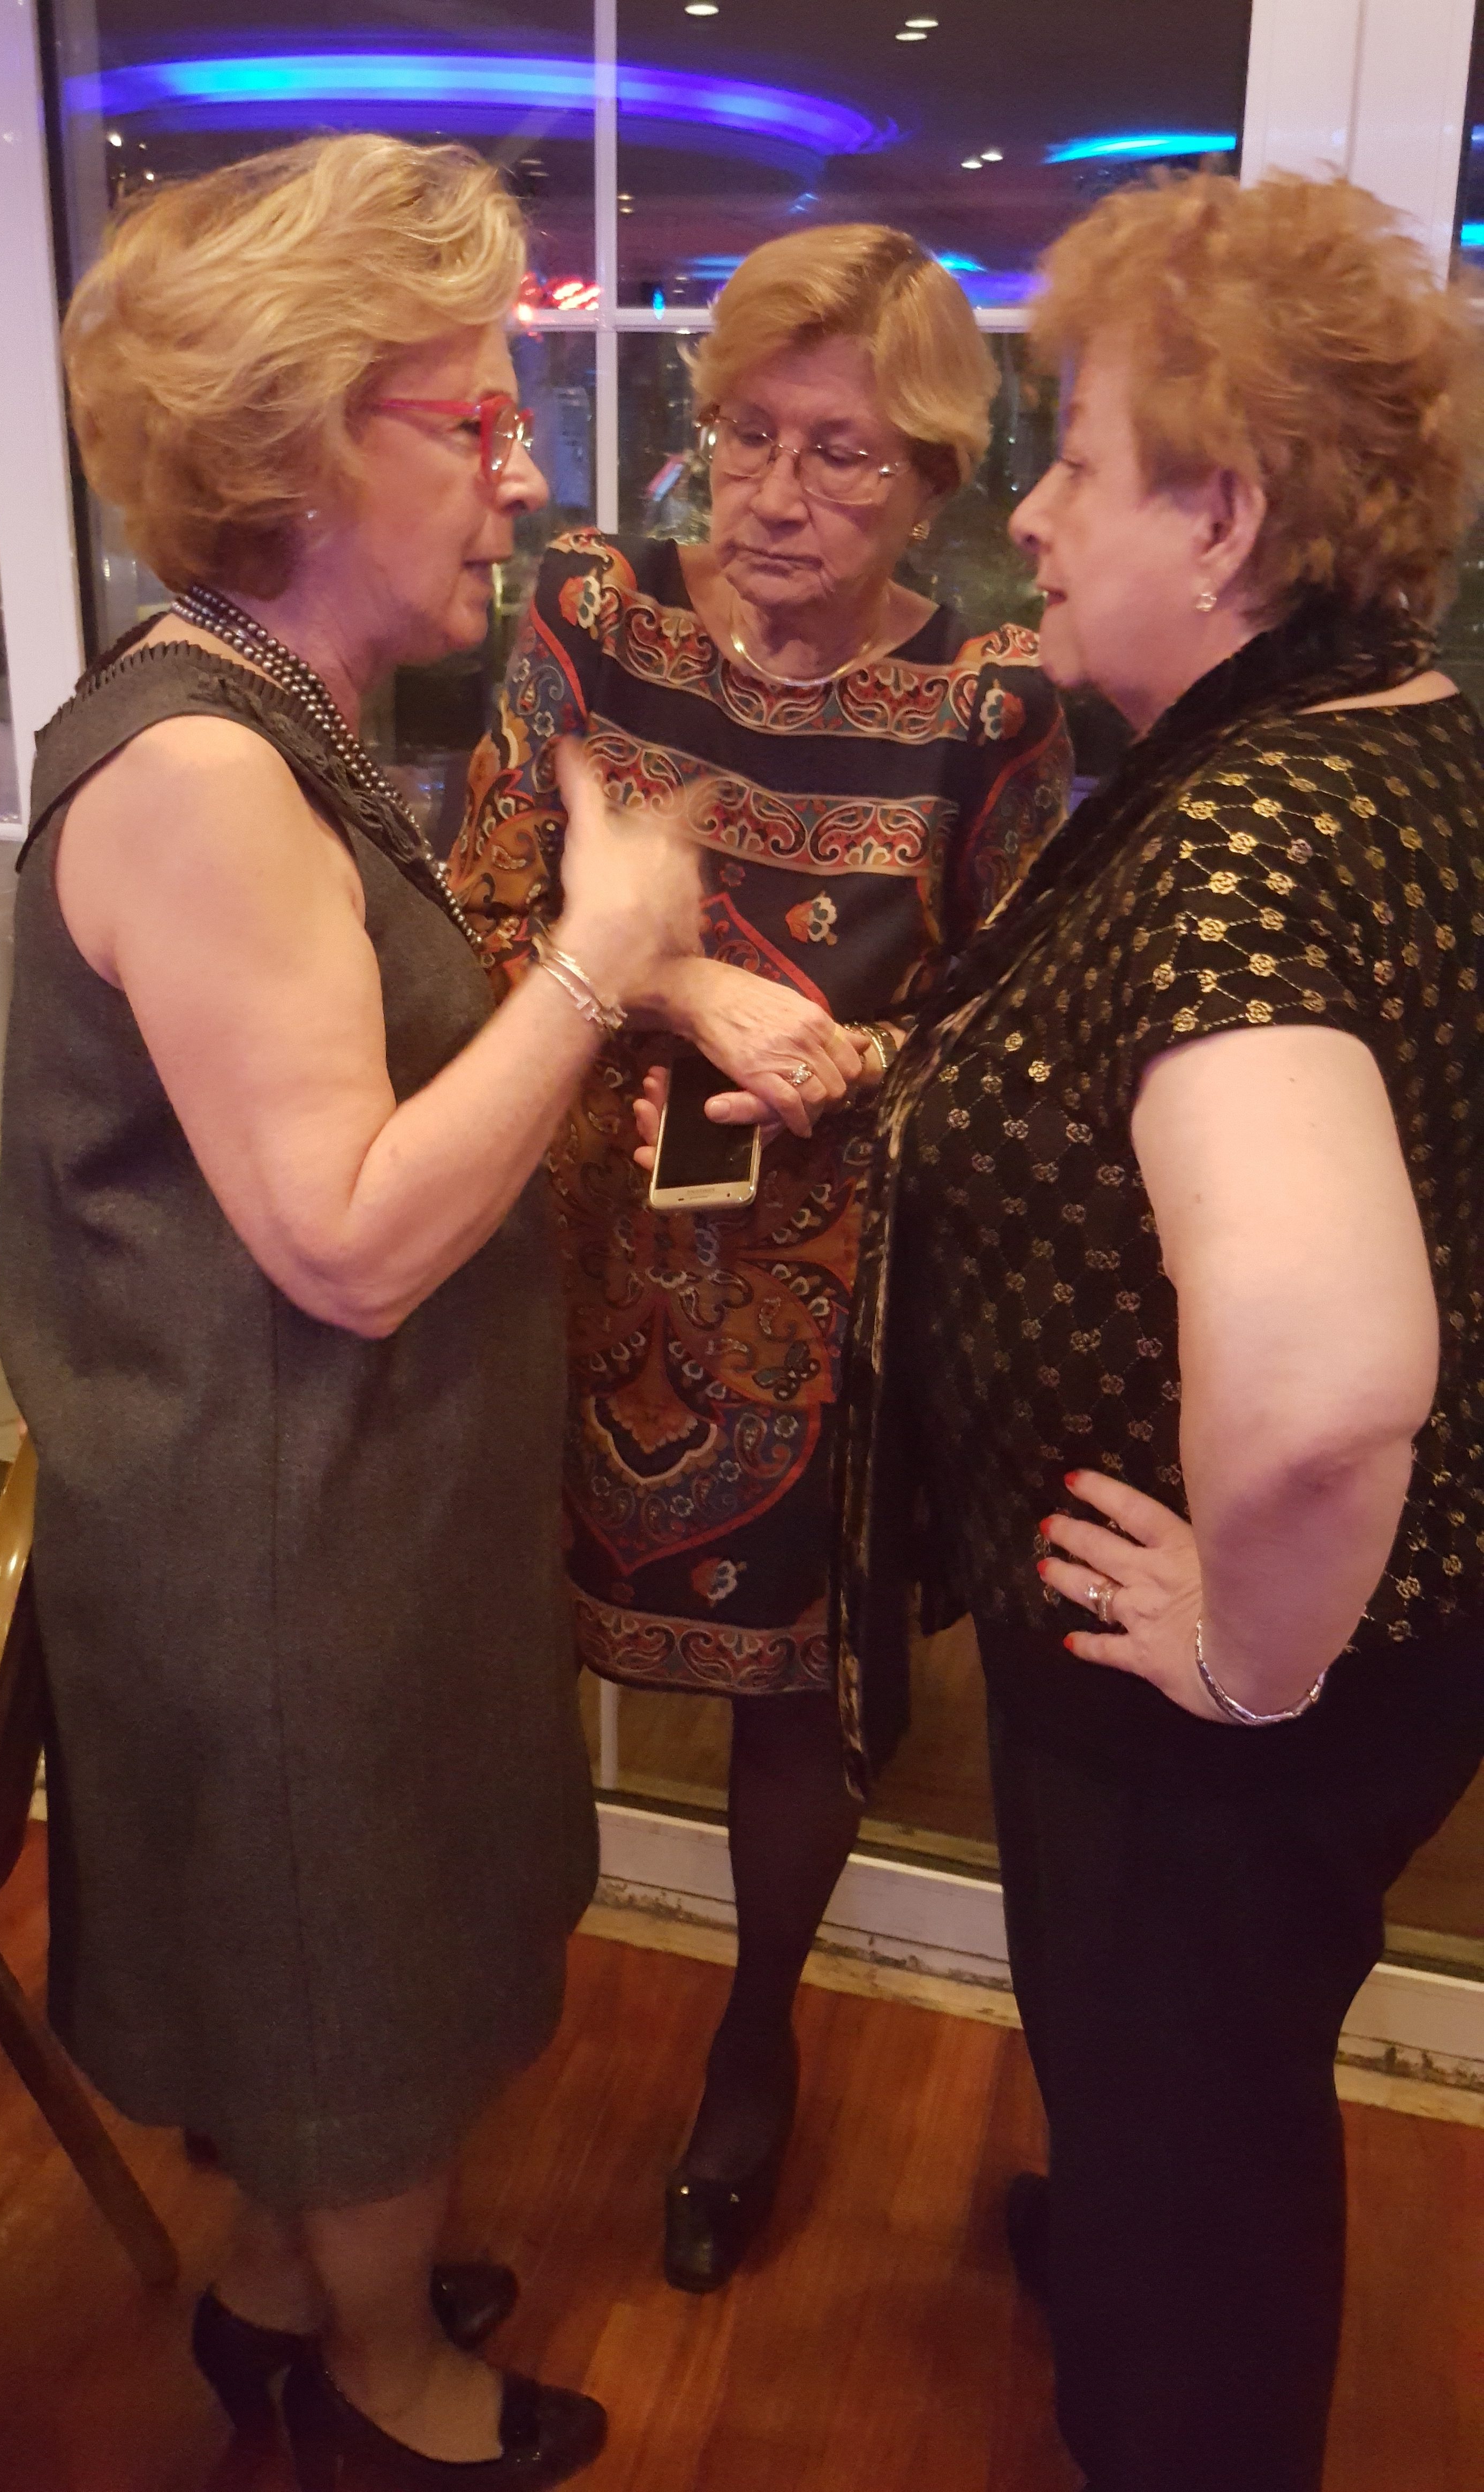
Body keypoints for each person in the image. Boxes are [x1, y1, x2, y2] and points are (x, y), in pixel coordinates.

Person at [0, 134, 699, 2492]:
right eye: (478, 418)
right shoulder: (204, 775)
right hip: (284, 1533)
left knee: (351, 1952)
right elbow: (349, 1237)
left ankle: (286, 2293)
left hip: (332, 1498)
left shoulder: (263, 709)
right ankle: (383, 2394)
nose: (528, 475)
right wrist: (603, 954)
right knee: (351, 1972)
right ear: (300, 442)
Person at [836, 170, 1484, 2492]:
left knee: (1200, 2140)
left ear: (1220, 519)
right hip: (1389, 1635)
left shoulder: (1242, 844)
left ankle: (1168, 2369)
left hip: (1218, 1697)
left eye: (1077, 459)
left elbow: (1318, 1385)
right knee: (1196, 2072)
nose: (1027, 511)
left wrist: (1249, 1653)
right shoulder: (1401, 730)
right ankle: (1129, 2213)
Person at [451, 223, 1069, 2290]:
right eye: (745, 437)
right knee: (483, 1659)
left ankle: (754, 2039)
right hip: (543, 1245)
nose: (776, 496)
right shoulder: (594, 622)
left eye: (843, 454)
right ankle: (439, 2023)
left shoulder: (988, 708)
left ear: (934, 479)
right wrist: (679, 992)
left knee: (796, 1698)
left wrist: (847, 1065)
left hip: (810, 1299)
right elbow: (477, 908)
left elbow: (1005, 1020)